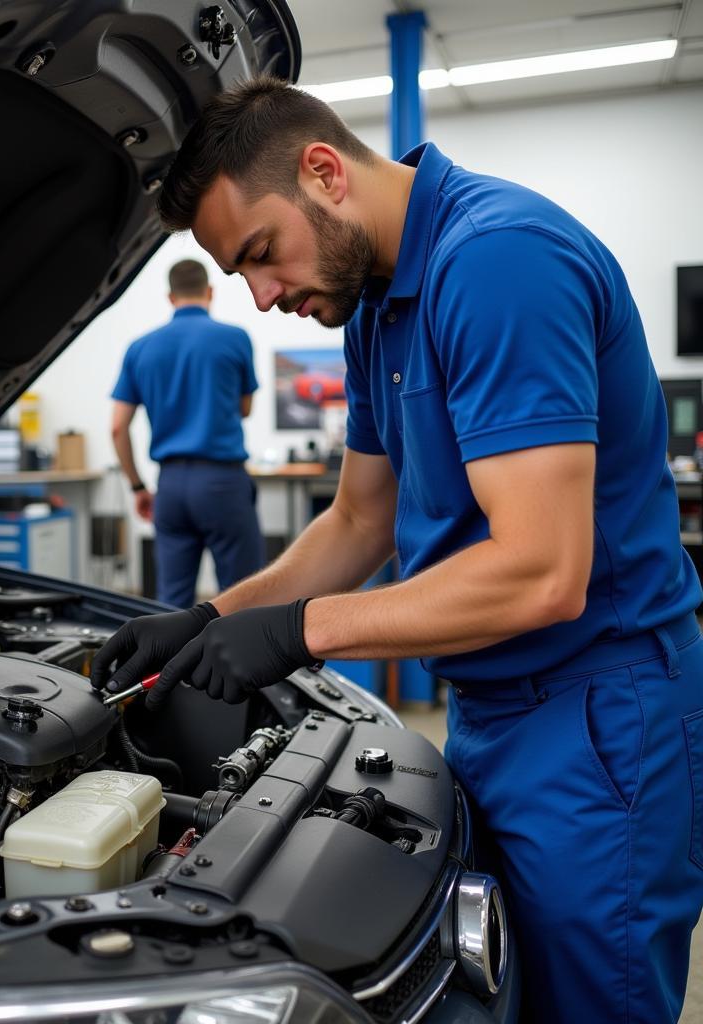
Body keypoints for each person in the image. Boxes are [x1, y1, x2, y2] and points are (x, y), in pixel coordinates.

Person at [91, 76, 703, 1024]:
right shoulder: (378, 302)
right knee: (505, 992)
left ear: (325, 172)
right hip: (495, 710)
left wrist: (302, 632)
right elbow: (358, 523)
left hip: (597, 718)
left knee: (593, 1004)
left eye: (260, 253)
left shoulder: (498, 264)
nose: (259, 298)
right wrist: (215, 615)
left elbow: (544, 572)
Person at [110, 258, 265, 608]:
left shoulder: (140, 348)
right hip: (223, 483)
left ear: (170, 297)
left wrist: (137, 486)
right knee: (242, 601)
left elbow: (117, 427)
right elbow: (244, 409)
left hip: (171, 487)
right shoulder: (235, 338)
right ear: (209, 291)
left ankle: (172, 664)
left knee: (172, 605)